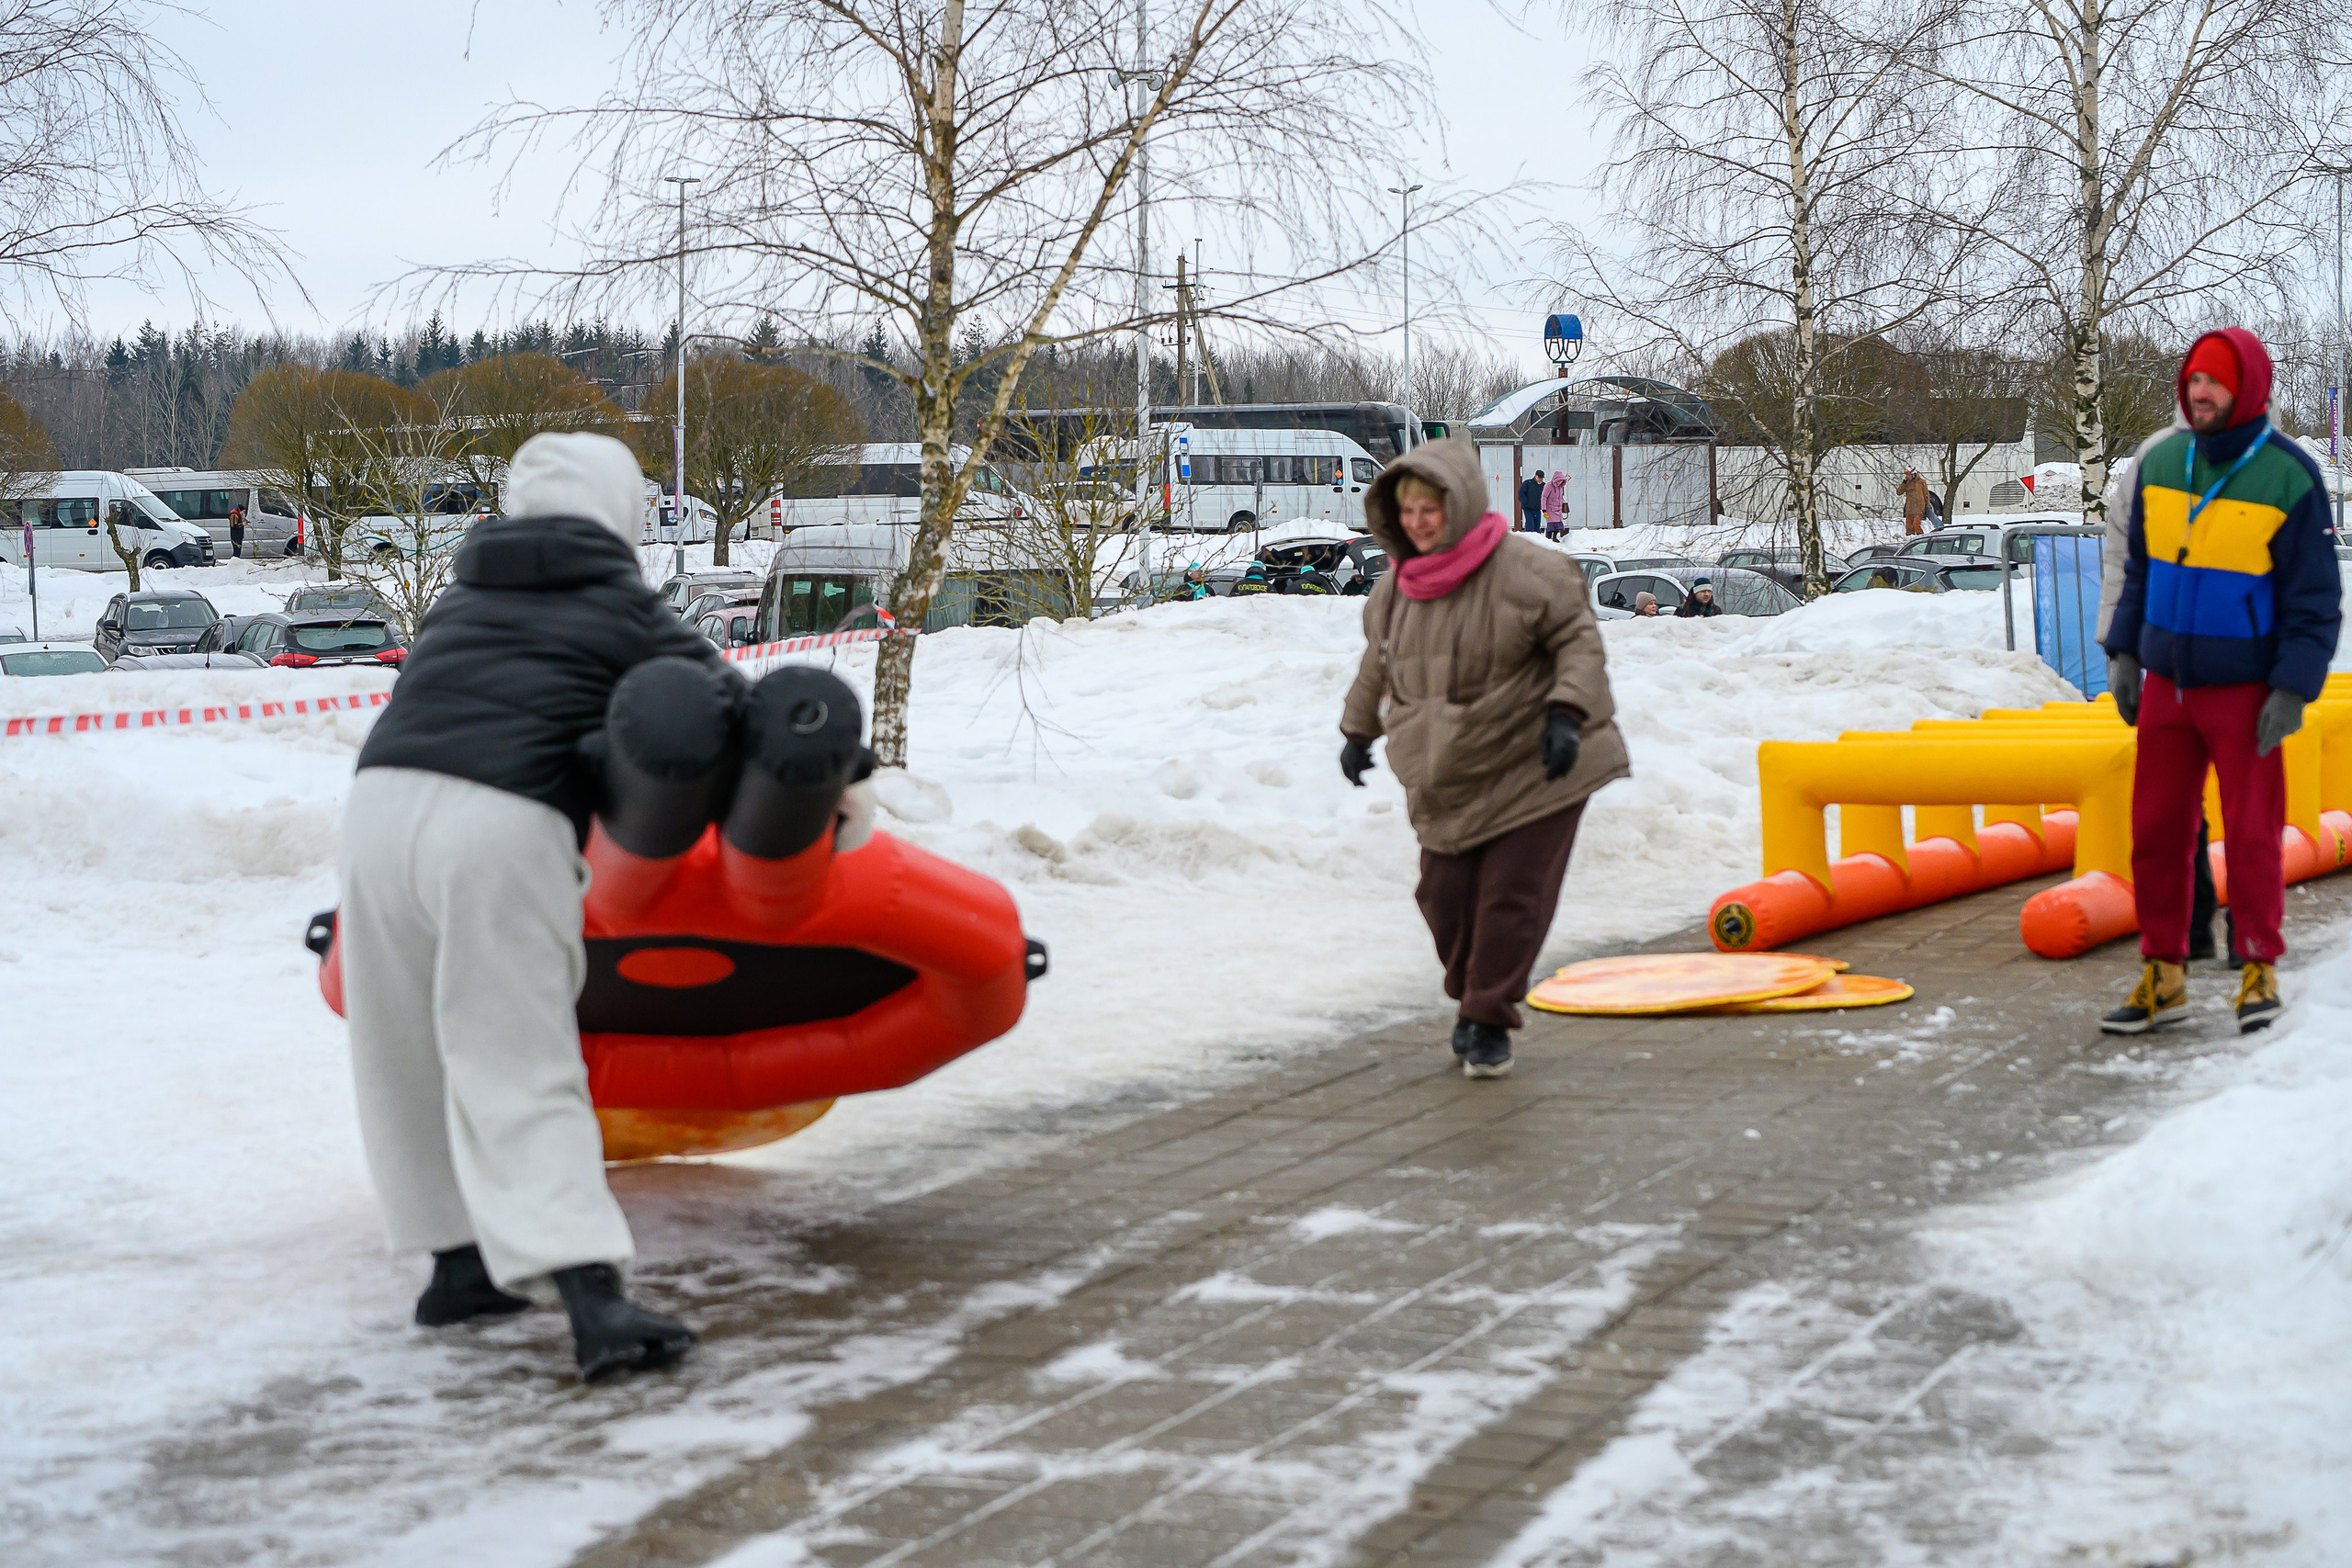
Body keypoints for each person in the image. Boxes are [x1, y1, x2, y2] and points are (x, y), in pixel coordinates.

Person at [339, 431, 724, 1382]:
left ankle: (458, 1267)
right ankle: (594, 1304)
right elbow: (719, 705)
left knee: (407, 1050)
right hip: (501, 820)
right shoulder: (625, 605)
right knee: (515, 1049)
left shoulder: (461, 597)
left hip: (377, 807)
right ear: (622, 509)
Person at [1338, 438, 1630, 1080]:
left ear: (1460, 503)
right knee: (1441, 896)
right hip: (1446, 766)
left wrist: (1565, 715)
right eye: (1406, 510)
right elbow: (1376, 664)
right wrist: (1357, 732)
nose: (1416, 521)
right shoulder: (1394, 591)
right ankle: (1474, 990)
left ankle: (1489, 1015)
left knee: (1509, 897)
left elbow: (1578, 645)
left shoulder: (1532, 570)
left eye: (1429, 508)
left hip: (1536, 760)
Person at [2099, 328, 2342, 1036]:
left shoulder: (2290, 475)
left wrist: (2294, 687)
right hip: (2168, 686)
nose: (2199, 393)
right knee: (2155, 832)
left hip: (2248, 689)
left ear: (2249, 391)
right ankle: (2164, 972)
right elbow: (2140, 568)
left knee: (2253, 834)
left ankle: (2259, 962)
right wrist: (2122, 650)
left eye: (2216, 383)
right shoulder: (2163, 461)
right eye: (2193, 381)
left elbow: (2314, 600)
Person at [1540, 470, 1568, 540]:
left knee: (1559, 525)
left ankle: (1555, 537)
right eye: (1558, 481)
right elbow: (1544, 497)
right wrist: (1543, 508)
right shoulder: (1548, 485)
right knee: (1550, 524)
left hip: (1558, 509)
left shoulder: (1561, 487)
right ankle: (1548, 537)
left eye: (1561, 481)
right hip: (1549, 509)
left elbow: (1561, 497)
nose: (1559, 483)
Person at [1518, 469, 1545, 533]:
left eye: (1541, 478)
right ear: (1535, 476)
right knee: (1530, 525)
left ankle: (1536, 540)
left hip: (1538, 509)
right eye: (1539, 477)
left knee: (1537, 526)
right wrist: (1524, 502)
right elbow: (1521, 492)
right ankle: (1528, 538)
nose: (1540, 479)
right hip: (1528, 508)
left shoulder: (1544, 485)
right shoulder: (1528, 483)